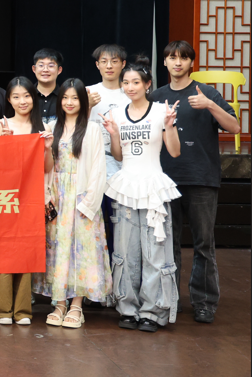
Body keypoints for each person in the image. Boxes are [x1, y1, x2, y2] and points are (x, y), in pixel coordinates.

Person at [151, 41, 239, 324]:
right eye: (172, 57)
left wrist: (210, 105)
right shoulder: (156, 96)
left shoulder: (207, 92)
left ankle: (204, 303)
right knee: (168, 245)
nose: (177, 62)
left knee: (203, 244)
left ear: (191, 63)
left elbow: (235, 127)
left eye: (183, 58)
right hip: (165, 180)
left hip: (201, 178)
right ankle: (170, 300)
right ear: (164, 62)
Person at [101, 55, 181, 333]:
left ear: (148, 84)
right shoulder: (117, 113)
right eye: (126, 82)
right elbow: (119, 155)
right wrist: (113, 134)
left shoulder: (161, 111)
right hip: (126, 187)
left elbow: (174, 152)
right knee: (126, 251)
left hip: (153, 187)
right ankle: (127, 308)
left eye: (136, 82)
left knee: (154, 252)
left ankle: (152, 311)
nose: (130, 87)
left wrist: (170, 125)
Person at [29, 78, 110, 328]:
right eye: (65, 97)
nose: (69, 102)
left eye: (75, 98)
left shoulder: (92, 129)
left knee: (81, 251)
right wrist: (46, 150)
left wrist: (89, 202)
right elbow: (47, 167)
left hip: (82, 196)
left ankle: (76, 305)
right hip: (57, 197)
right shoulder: (51, 127)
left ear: (83, 101)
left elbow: (98, 169)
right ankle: (60, 303)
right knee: (58, 250)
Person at [0, 76, 54, 325]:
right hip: (4, 197)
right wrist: (3, 143)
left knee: (26, 251)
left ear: (33, 98)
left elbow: (47, 167)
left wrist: (47, 147)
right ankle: (3, 310)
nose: (22, 101)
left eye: (26, 96)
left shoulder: (42, 127)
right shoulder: (0, 125)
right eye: (16, 97)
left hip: (31, 197)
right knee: (3, 252)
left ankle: (23, 311)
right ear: (9, 100)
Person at [86, 43, 130, 257]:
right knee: (94, 220)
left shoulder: (130, 92)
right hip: (93, 164)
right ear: (97, 65)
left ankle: (119, 268)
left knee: (120, 221)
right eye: (104, 61)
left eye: (114, 61)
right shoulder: (88, 91)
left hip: (124, 164)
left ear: (123, 64)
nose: (109, 66)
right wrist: (86, 105)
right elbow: (75, 127)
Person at [32, 48, 64, 124]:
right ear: (34, 69)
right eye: (41, 65)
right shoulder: (26, 96)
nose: (45, 70)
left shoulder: (65, 97)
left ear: (59, 70)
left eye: (51, 66)